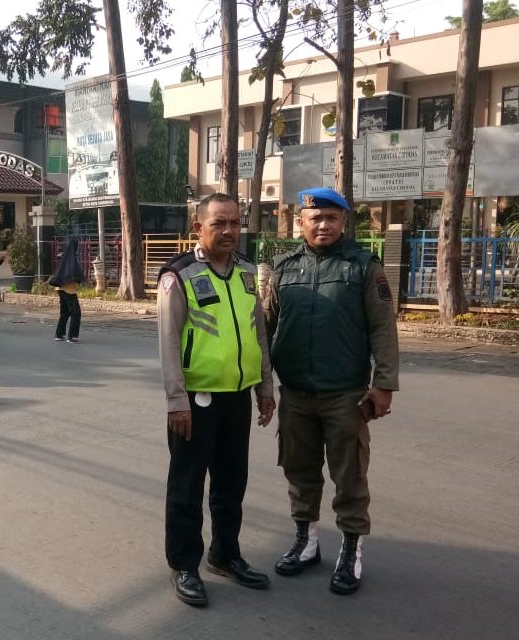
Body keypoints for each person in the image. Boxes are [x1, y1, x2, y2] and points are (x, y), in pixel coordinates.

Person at [264, 188, 399, 596]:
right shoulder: (283, 268)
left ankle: (351, 550)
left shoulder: (363, 267)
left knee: (349, 475)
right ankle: (306, 542)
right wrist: (263, 384)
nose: (323, 225)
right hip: (296, 394)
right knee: (298, 470)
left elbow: (383, 328)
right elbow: (265, 327)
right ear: (300, 223)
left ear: (344, 222)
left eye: (331, 218)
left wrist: (384, 384)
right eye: (315, 218)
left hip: (345, 394)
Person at [157, 193, 276, 607]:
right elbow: (169, 342)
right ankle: (184, 564)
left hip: (237, 397)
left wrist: (265, 387)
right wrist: (176, 401)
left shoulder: (246, 272)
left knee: (231, 483)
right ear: (199, 229)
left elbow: (258, 332)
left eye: (234, 223)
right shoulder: (180, 275)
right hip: (195, 400)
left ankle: (225, 554)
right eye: (218, 224)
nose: (228, 231)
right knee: (187, 487)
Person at [49, 236, 83, 343]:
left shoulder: (65, 255)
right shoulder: (72, 257)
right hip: (69, 289)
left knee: (65, 312)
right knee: (76, 312)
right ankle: (72, 336)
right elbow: (75, 274)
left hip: (60, 288)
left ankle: (59, 334)